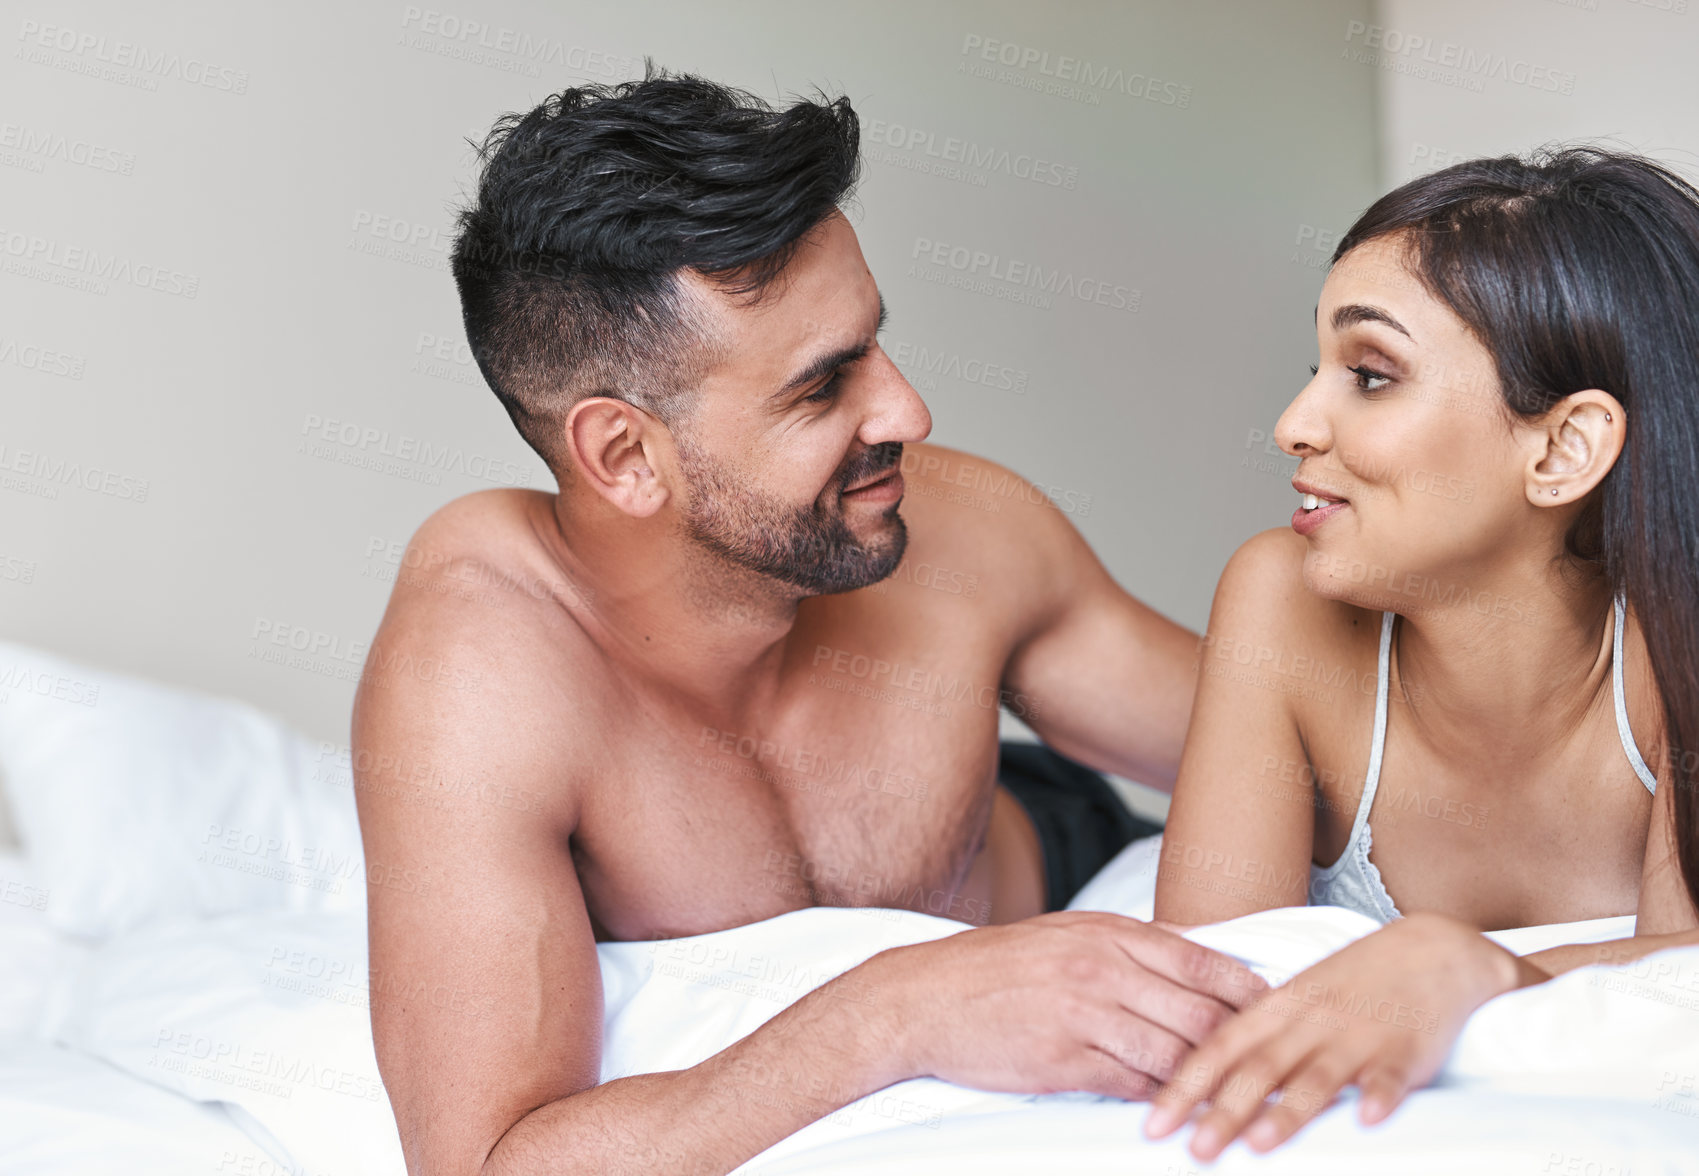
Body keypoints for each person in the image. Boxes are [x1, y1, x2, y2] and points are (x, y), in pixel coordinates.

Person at [351, 66, 1265, 1176]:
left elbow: (1318, 762)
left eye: (873, 344)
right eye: (822, 387)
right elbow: (486, 1160)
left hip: (1048, 843)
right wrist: (897, 1006)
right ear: (625, 456)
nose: (908, 413)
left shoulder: (962, 529)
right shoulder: (482, 671)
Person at [1147, 146, 1699, 1161]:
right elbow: (1205, 984)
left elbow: (1684, 993)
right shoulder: (1280, 602)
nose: (1293, 424)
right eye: (1314, 369)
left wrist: (1470, 968)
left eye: (1369, 376)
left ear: (1562, 448)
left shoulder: (1676, 642)